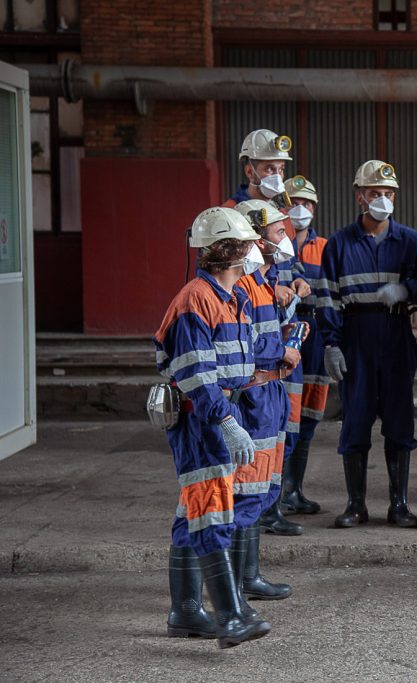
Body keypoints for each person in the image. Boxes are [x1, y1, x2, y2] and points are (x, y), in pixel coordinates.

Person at [154, 206, 270, 648]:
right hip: (201, 419)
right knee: (210, 511)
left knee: (193, 511)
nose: (254, 254)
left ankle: (185, 612)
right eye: (249, 246)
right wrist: (225, 421)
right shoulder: (195, 300)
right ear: (233, 250)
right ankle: (230, 616)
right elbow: (197, 372)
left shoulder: (231, 297)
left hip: (219, 413)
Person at [317, 160, 417, 530]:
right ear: (359, 195)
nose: (382, 198)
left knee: (399, 422)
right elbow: (328, 298)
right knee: (356, 421)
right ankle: (356, 505)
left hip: (396, 334)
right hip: (355, 335)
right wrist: (331, 344)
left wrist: (407, 289)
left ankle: (399, 505)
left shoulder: (410, 241)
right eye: (375, 193)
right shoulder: (338, 244)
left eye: (388, 193)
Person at [231, 199, 303, 610]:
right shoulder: (244, 285)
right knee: (246, 489)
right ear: (257, 238)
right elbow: (242, 345)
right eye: (279, 232)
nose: (286, 239)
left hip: (271, 394)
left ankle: (250, 577)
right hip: (254, 395)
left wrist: (289, 334)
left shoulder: (264, 282)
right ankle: (238, 586)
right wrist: (282, 353)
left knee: (262, 488)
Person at [223, 128, 312, 335]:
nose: (278, 176)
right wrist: (271, 288)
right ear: (249, 171)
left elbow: (291, 261)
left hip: (285, 316)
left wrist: (297, 280)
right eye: (269, 169)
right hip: (250, 316)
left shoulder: (282, 214)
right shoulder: (230, 214)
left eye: (281, 169)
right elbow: (224, 272)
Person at [279, 175, 328, 516]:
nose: (301, 209)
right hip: (285, 333)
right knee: (285, 414)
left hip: (318, 333)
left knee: (310, 411)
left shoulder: (325, 246)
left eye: (307, 203)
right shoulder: (275, 244)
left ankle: (295, 489)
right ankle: (278, 493)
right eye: (294, 202)